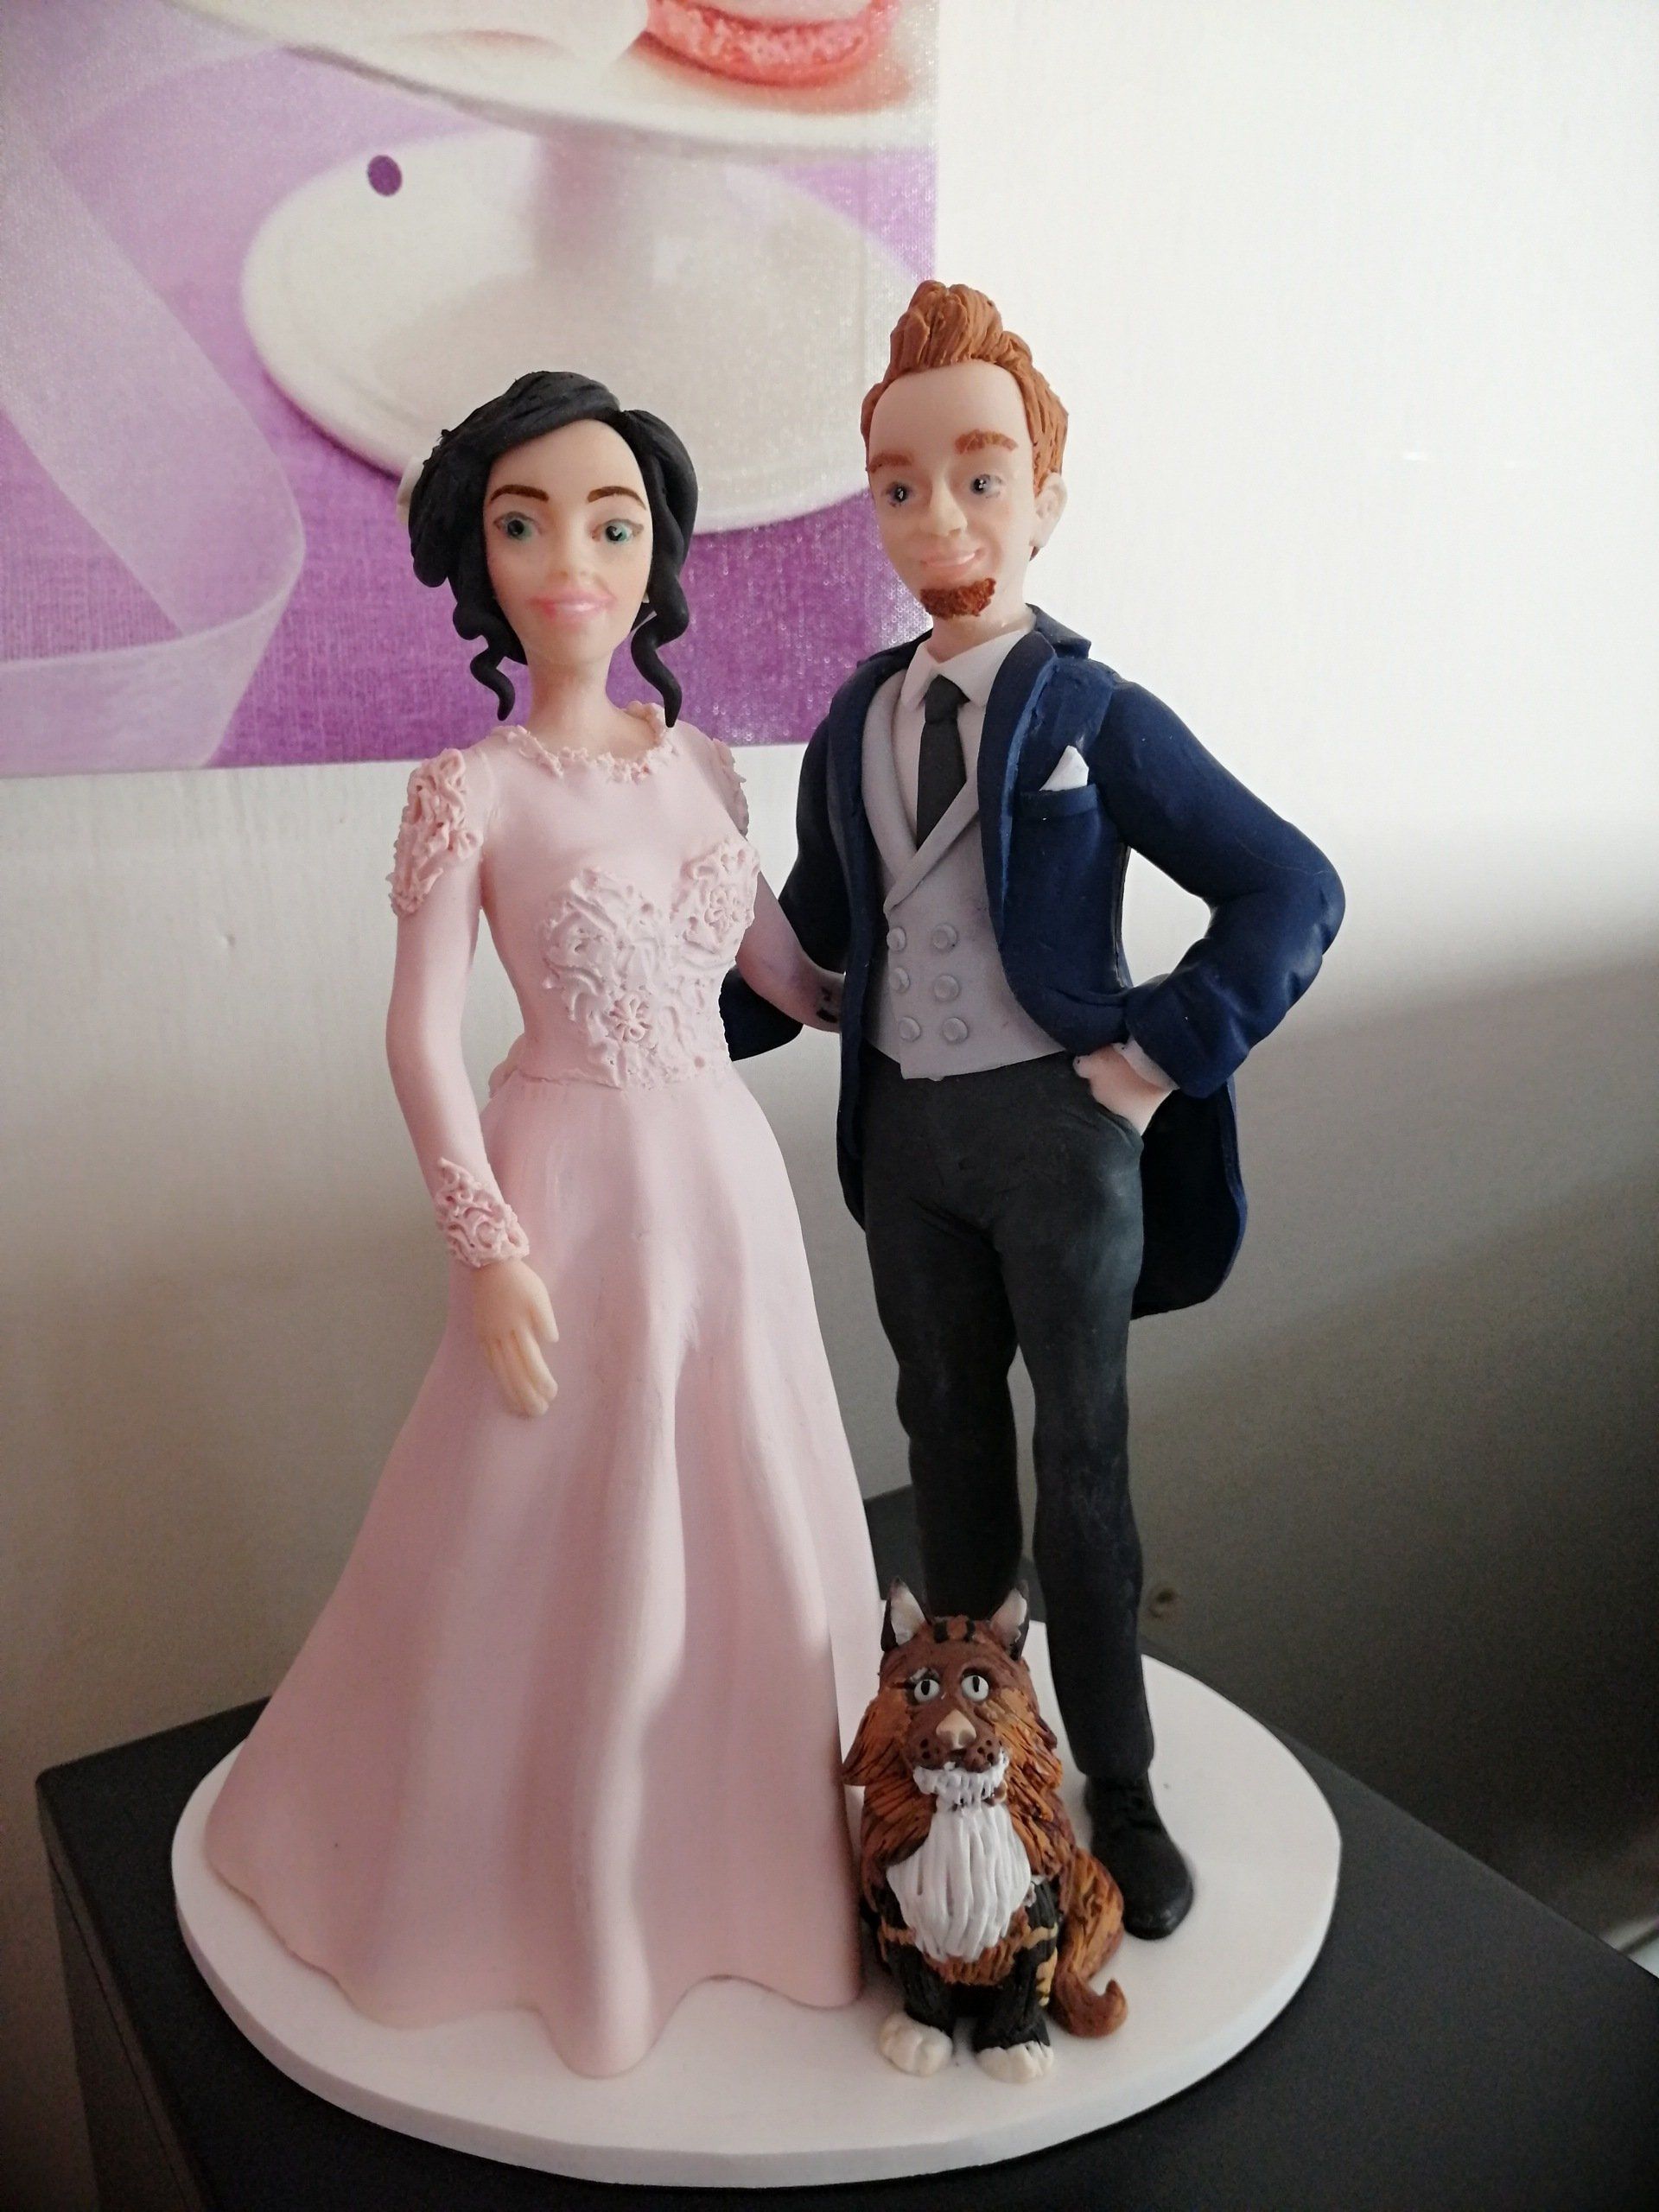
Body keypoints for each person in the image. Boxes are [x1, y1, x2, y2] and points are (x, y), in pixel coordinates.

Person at [204, 372, 878, 2077]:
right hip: (567, 1181)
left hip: (718, 1179)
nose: (571, 559)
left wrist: (941, 972)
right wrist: (486, 1238)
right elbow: (418, 1038)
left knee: (748, 1498)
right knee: (536, 1534)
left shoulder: (703, 765)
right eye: (526, 523)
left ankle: (747, 1868)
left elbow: (786, 973)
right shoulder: (472, 788)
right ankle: (534, 1887)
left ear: (656, 551)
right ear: (480, 556)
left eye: (609, 522)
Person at [721, 283, 1344, 1940]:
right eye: (902, 485)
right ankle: (966, 1757)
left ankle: (1115, 1783)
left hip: (1062, 1137)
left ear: (1045, 500)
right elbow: (817, 934)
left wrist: (1157, 1058)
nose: (941, 516)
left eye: (981, 477)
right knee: (941, 1442)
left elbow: (1291, 887)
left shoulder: (1091, 712)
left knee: (1085, 1460)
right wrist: (658, 1014)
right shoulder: (857, 719)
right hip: (908, 1144)